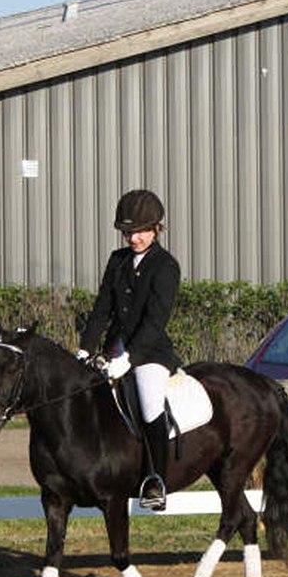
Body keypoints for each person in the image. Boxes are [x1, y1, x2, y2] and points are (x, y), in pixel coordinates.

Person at [76, 189, 181, 511]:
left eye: (140, 231)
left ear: (156, 229)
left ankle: (156, 480)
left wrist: (129, 359)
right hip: (114, 348)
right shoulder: (117, 260)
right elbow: (102, 309)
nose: (133, 238)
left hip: (149, 353)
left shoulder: (166, 266)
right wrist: (85, 349)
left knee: (149, 403)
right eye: (128, 232)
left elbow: (155, 321)